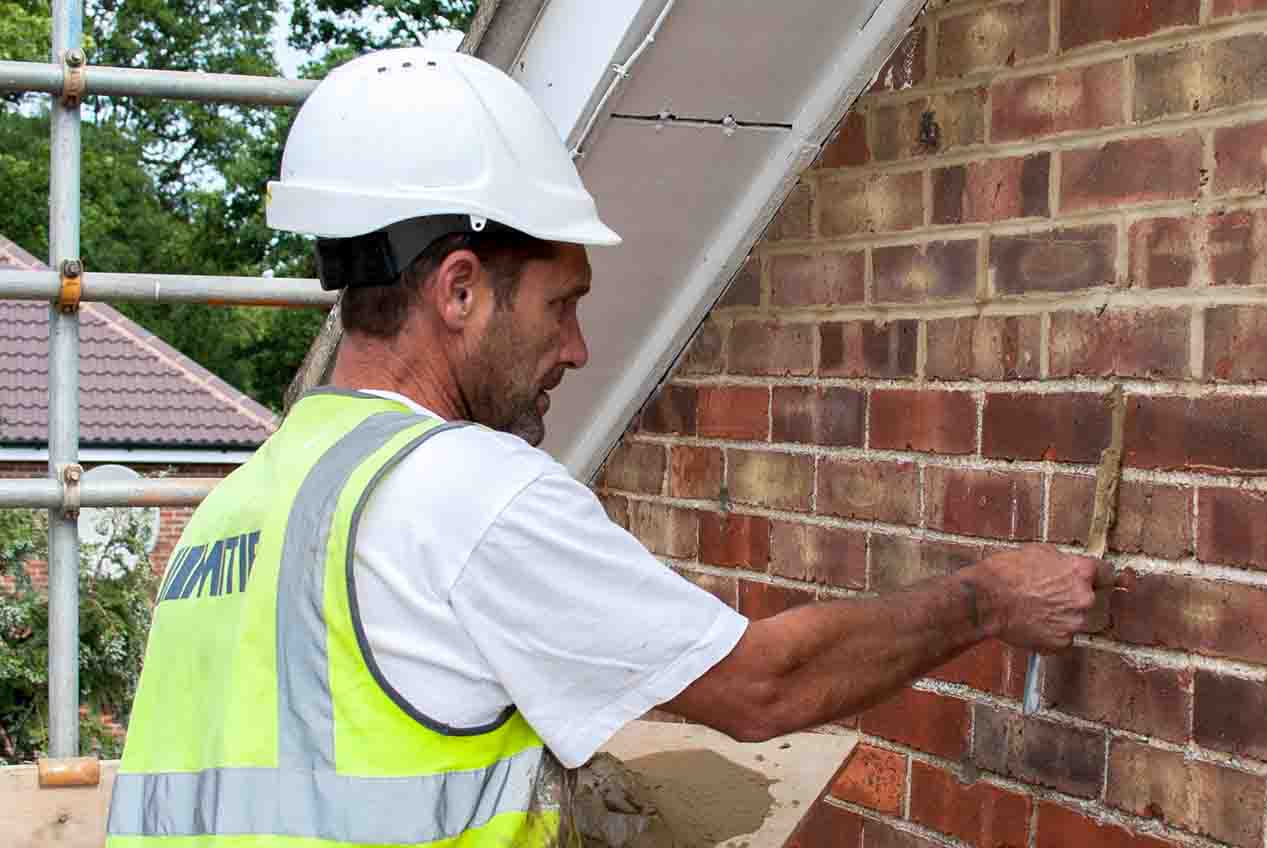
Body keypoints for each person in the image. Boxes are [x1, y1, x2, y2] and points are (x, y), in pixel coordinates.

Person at [106, 48, 1106, 847]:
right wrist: (987, 598)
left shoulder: (238, 504)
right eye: (562, 304)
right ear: (458, 290)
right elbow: (764, 684)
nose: (578, 349)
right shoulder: (462, 491)